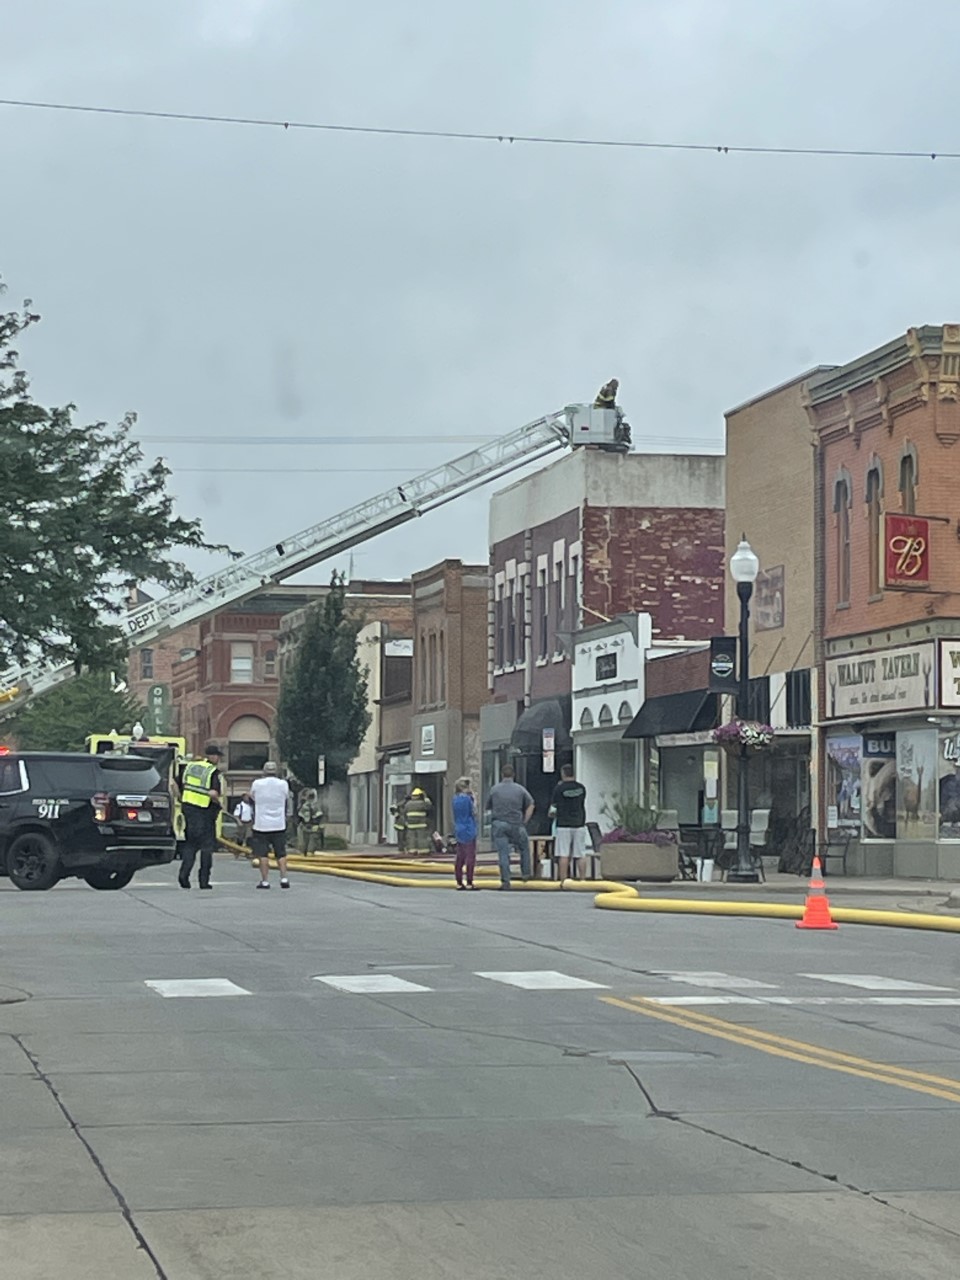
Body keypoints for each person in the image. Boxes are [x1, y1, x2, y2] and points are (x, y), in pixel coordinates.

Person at [178, 743, 224, 890]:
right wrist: (218, 803)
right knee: (206, 848)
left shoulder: (191, 767)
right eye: (218, 756)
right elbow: (213, 794)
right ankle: (204, 881)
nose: (218, 759)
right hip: (205, 813)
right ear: (213, 756)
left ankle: (183, 876)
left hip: (189, 810)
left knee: (190, 845)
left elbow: (175, 783)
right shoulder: (212, 772)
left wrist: (181, 798)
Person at [486, 764, 534, 890]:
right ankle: (525, 874)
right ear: (514, 775)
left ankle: (506, 881)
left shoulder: (494, 789)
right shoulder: (520, 789)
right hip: (516, 824)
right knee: (524, 848)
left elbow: (488, 806)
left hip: (499, 823)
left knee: (503, 853)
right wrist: (525, 821)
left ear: (502, 774)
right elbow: (531, 805)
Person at [251, 761, 291, 889]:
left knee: (263, 854)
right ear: (276, 771)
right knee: (281, 853)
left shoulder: (257, 784)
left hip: (261, 825)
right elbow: (287, 798)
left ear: (264, 771)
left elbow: (252, 797)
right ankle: (284, 878)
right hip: (279, 824)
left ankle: (265, 881)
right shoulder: (283, 784)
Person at [549, 763, 588, 882]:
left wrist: (552, 814)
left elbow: (553, 807)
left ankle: (564, 880)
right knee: (580, 853)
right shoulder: (581, 788)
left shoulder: (559, 788)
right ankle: (582, 879)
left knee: (564, 853)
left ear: (563, 774)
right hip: (579, 823)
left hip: (563, 824)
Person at [452, 776, 479, 890]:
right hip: (469, 828)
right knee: (470, 856)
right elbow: (474, 812)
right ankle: (469, 881)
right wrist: (474, 799)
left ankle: (458, 881)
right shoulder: (468, 799)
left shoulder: (455, 799)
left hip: (459, 828)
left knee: (460, 856)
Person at [403, 787, 433, 854]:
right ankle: (423, 851)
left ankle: (412, 850)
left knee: (411, 838)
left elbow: (404, 813)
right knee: (421, 838)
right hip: (421, 824)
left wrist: (406, 822)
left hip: (411, 825)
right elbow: (430, 806)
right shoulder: (422, 803)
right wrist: (426, 797)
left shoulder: (408, 804)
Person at [297, 787, 325, 854]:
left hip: (311, 828)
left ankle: (307, 855)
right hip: (306, 827)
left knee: (310, 848)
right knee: (304, 847)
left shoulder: (315, 806)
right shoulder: (304, 806)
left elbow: (319, 817)